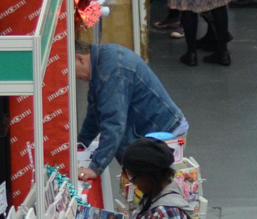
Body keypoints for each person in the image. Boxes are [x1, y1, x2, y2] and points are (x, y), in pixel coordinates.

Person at [75, 37, 186, 178]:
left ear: (80, 59)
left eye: (70, 70)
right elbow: (95, 114)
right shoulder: (102, 61)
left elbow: (113, 123)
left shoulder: (112, 72)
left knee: (156, 189)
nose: (72, 77)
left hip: (163, 133)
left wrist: (95, 167)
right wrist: (80, 144)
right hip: (154, 130)